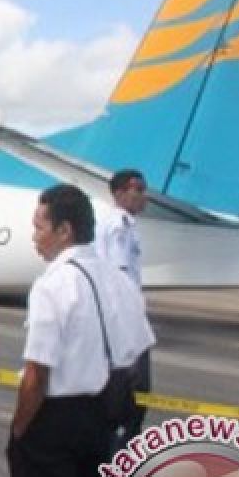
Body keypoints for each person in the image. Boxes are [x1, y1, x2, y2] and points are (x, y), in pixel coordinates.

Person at [6, 183, 162, 477]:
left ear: (63, 229)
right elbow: (138, 350)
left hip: (54, 419)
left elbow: (37, 373)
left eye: (39, 227)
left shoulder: (53, 284)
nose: (34, 236)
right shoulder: (119, 279)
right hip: (106, 414)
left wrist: (20, 429)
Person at [94, 168, 151, 441]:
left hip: (119, 316)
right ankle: (121, 448)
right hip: (124, 318)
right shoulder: (120, 225)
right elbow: (120, 273)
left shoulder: (119, 222)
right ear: (119, 193)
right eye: (137, 190)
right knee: (135, 387)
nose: (143, 196)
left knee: (125, 388)